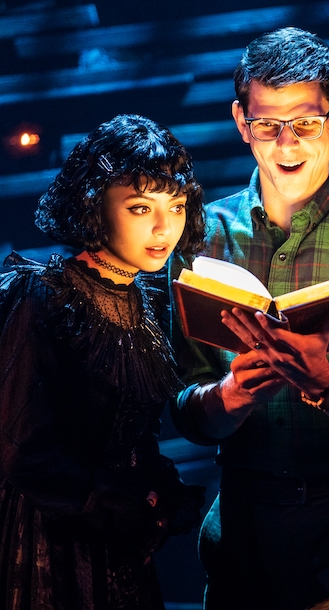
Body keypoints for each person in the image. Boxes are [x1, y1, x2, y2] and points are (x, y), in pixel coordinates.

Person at [168, 27, 329, 610]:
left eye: (305, 123)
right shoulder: (200, 237)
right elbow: (182, 404)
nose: (287, 144)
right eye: (267, 125)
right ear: (241, 121)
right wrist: (230, 395)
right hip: (244, 527)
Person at [0, 114, 206, 609]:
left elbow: (134, 435)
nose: (164, 227)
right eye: (141, 208)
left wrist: (154, 495)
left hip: (119, 543)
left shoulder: (146, 303)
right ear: (93, 204)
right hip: (48, 535)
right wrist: (107, 502)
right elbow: (19, 446)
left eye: (177, 206)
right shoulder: (42, 297)